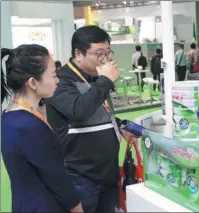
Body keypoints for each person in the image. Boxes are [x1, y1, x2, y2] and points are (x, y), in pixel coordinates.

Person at [45, 25, 133, 213]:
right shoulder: (61, 81)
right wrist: (106, 81)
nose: (105, 59)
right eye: (99, 54)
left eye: (108, 53)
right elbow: (79, 110)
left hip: (107, 172)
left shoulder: (96, 78)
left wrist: (118, 125)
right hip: (80, 176)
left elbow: (99, 111)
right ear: (79, 53)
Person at [1, 45, 83, 212]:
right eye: (53, 75)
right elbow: (58, 180)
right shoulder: (29, 127)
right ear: (32, 82)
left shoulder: (9, 117)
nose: (57, 80)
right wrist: (78, 209)